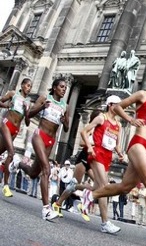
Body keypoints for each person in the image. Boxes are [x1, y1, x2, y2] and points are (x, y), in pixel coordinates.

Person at [80, 67, 146, 245]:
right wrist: (131, 120)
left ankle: (91, 195)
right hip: (138, 143)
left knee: (125, 187)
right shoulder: (143, 95)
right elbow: (119, 107)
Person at [15, 78, 70, 221]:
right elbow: (29, 115)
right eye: (62, 87)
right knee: (47, 169)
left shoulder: (65, 105)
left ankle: (17, 163)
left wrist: (65, 122)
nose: (64, 89)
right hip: (39, 135)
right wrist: (42, 107)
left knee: (34, 173)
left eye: (65, 87)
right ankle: (46, 209)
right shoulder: (46, 98)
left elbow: (67, 128)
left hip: (51, 141)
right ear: (54, 87)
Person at [75, 95, 125, 234]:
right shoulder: (101, 118)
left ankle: (81, 192)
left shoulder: (119, 125)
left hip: (108, 156)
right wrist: (90, 147)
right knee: (104, 187)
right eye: (118, 105)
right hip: (97, 154)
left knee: (98, 188)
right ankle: (105, 222)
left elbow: (116, 145)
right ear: (110, 105)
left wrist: (121, 154)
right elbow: (84, 131)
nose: (120, 108)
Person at [52, 110, 101, 220]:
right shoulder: (90, 127)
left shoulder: (100, 130)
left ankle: (81, 203)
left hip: (92, 160)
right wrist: (93, 143)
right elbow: (81, 143)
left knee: (99, 185)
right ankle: (58, 203)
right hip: (84, 157)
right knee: (74, 184)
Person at [0, 78, 32, 197]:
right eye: (27, 85)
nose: (29, 88)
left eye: (30, 87)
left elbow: (28, 122)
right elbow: (0, 102)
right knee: (11, 152)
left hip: (15, 129)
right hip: (6, 123)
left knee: (4, 152)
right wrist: (7, 105)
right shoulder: (13, 94)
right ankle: (6, 185)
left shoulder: (28, 102)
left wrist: (26, 111)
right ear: (22, 85)